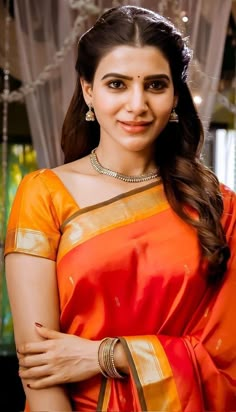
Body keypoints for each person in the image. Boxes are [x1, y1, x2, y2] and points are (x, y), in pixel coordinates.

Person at [4, 4, 236, 412]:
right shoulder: (45, 194)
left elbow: (227, 361)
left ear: (175, 95)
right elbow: (41, 372)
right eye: (117, 84)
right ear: (88, 89)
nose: (136, 104)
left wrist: (105, 356)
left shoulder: (220, 207)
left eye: (155, 85)